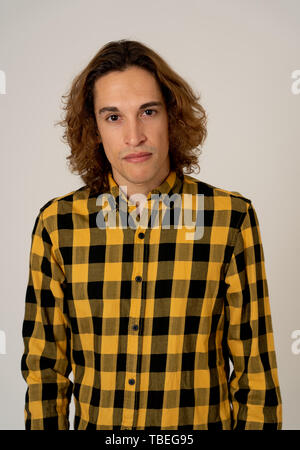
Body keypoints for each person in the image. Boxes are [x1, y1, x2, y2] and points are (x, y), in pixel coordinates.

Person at [21, 39, 282, 430]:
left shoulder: (230, 219)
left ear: (171, 116)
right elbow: (45, 375)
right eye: (113, 117)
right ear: (93, 129)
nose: (134, 136)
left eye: (147, 112)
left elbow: (256, 379)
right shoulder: (57, 226)